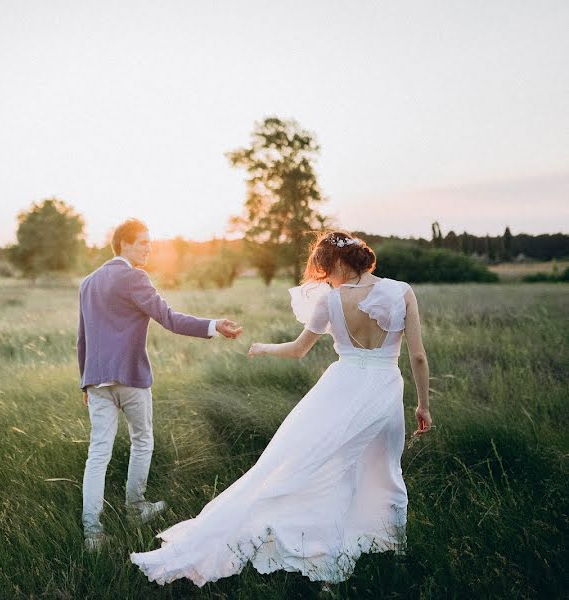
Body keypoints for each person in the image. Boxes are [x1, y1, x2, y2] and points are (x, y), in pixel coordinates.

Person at [130, 230, 432, 586]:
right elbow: (417, 356)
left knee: (331, 467)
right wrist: (423, 405)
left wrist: (264, 348)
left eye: (324, 269)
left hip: (340, 389)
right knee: (383, 467)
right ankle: (390, 549)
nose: (325, 278)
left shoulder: (330, 301)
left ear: (335, 263)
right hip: (383, 389)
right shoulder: (401, 291)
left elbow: (299, 349)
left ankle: (335, 545)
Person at [78, 218, 243, 552]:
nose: (149, 248)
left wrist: (85, 381)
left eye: (149, 242)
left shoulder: (88, 282)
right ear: (123, 243)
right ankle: (136, 508)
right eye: (142, 242)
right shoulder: (134, 277)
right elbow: (169, 318)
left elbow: (83, 337)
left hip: (96, 380)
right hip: (131, 378)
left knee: (98, 454)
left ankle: (92, 532)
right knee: (142, 440)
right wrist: (213, 325)